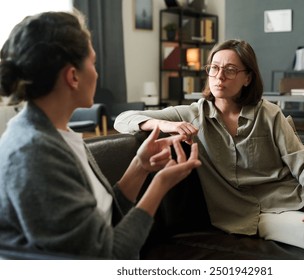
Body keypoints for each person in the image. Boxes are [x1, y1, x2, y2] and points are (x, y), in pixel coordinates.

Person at [114, 39, 304, 260]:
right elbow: (122, 120)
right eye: (214, 68)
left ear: (247, 78)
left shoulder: (268, 113)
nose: (220, 76)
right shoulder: (191, 114)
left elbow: (303, 161)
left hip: (294, 189)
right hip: (252, 212)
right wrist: (162, 123)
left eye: (230, 69)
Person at [0, 11, 201, 259]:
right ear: (73, 76)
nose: (97, 73)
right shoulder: (32, 153)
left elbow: (104, 218)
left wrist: (140, 166)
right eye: (93, 63)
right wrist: (160, 185)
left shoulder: (59, 134)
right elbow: (106, 256)